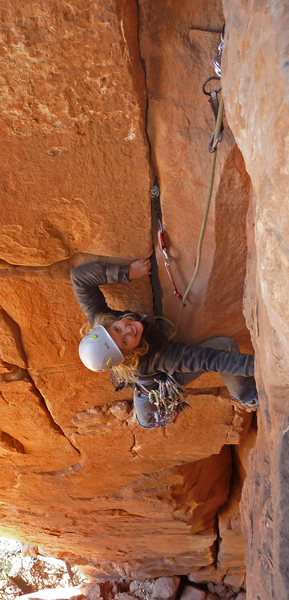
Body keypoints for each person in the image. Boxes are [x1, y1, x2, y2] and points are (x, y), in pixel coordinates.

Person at [71, 257, 258, 428]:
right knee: (225, 346)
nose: (128, 329)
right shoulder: (160, 356)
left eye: (117, 329)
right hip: (162, 377)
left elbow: (79, 278)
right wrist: (263, 368)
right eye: (125, 341)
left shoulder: (102, 320)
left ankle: (142, 400)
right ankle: (249, 398)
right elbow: (211, 360)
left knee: (143, 392)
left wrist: (127, 272)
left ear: (106, 326)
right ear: (128, 353)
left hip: (140, 377)